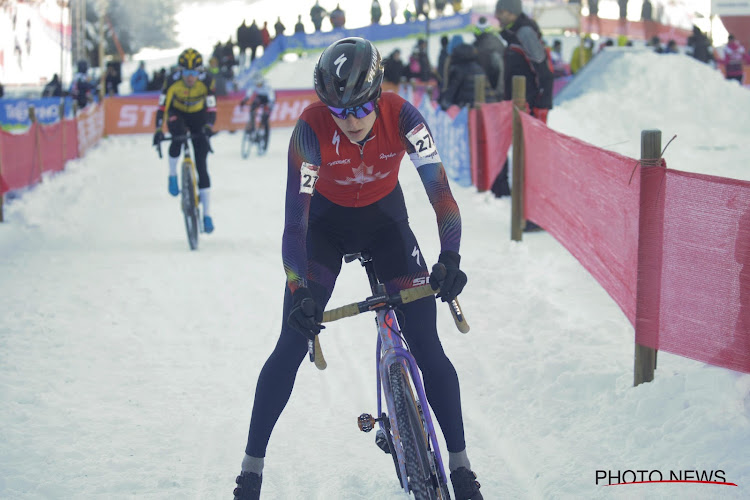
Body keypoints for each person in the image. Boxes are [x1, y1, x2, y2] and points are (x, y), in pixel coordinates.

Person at [232, 36, 483, 500]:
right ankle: (250, 471)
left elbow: (441, 195)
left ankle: (462, 467)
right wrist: (298, 289)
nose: (349, 121)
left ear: (377, 95)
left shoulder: (404, 117)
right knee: (290, 343)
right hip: (324, 230)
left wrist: (450, 257)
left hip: (386, 226)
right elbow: (294, 224)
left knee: (428, 346)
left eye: (359, 109)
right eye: (337, 111)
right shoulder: (310, 129)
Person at [492, 0, 552, 234]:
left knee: (531, 160)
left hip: (531, 107)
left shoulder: (524, 32)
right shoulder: (515, 33)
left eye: (500, 12)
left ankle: (536, 215)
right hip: (520, 105)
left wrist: (539, 104)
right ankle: (528, 212)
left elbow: (542, 69)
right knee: (523, 159)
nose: (497, 17)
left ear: (511, 12)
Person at [152, 48, 217, 233]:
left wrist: (209, 126)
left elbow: (212, 108)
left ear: (199, 71)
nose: (190, 77)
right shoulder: (171, 81)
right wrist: (158, 129)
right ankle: (172, 174)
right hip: (177, 113)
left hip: (198, 115)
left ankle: (207, 215)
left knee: (202, 165)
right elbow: (162, 106)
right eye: (186, 73)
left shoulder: (206, 81)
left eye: (194, 73)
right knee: (177, 138)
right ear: (180, 71)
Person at [439, 42, 487, 110]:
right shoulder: (480, 68)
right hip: (484, 110)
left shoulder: (458, 70)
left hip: (466, 111)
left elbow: (449, 96)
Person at [240, 73, 275, 153]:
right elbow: (249, 93)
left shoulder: (267, 86)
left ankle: (264, 132)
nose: (258, 86)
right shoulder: (253, 85)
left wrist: (269, 105)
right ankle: (252, 127)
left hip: (268, 99)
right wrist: (244, 100)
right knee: (252, 108)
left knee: (265, 117)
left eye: (259, 84)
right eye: (257, 84)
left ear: (262, 82)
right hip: (259, 97)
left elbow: (271, 97)